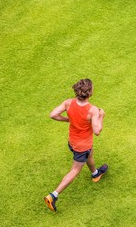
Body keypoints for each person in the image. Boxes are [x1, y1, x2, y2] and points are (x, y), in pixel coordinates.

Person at [44, 78, 108, 212]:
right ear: (89, 93)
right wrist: (101, 116)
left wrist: (69, 119)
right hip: (82, 146)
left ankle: (95, 174)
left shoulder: (68, 103)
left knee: (90, 154)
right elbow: (97, 131)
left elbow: (53, 114)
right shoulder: (93, 110)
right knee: (75, 170)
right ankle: (53, 195)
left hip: (72, 142)